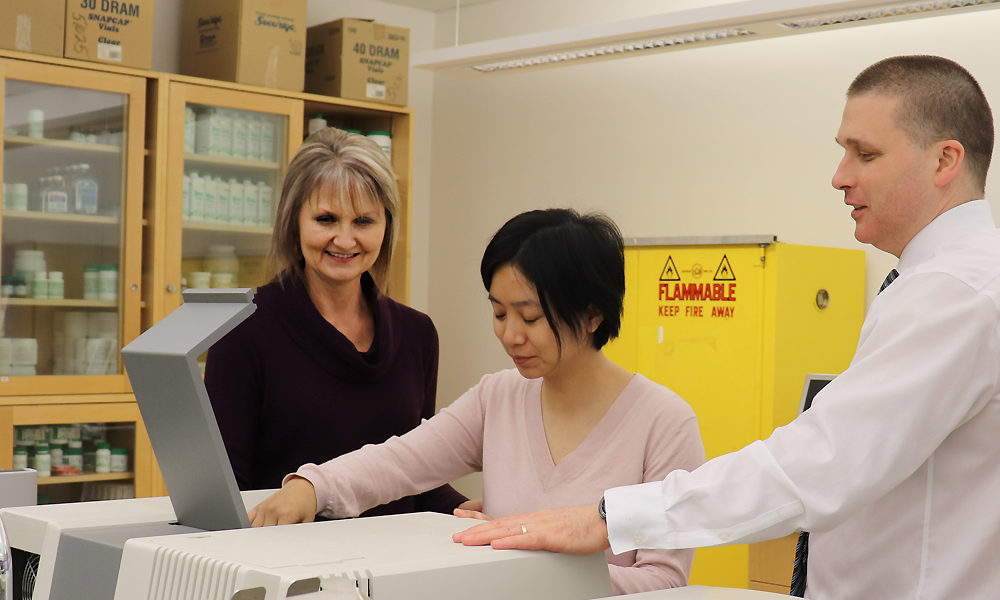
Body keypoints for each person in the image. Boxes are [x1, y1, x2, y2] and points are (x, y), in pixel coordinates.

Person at [453, 55, 1000, 599]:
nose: (840, 176)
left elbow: (820, 462)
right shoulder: (938, 281)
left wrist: (610, 515)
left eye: (866, 154)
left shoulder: (956, 292)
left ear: (944, 160)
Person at [248, 208, 708, 594]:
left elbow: (665, 581)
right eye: (499, 312)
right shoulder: (499, 397)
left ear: (592, 315)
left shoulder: (664, 422)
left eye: (530, 316)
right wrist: (312, 487)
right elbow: (401, 460)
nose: (510, 335)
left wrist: (529, 566)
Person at [205, 128, 467, 517]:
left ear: (387, 225)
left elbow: (415, 472)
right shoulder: (242, 329)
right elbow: (226, 494)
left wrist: (467, 511)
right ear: (292, 220)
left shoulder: (418, 334)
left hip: (397, 566)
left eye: (363, 221)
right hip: (287, 569)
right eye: (326, 219)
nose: (345, 240)